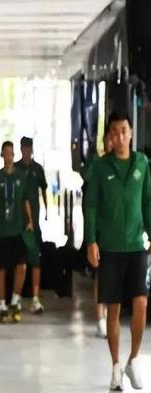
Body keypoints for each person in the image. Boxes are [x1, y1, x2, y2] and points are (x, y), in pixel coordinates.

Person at [85, 111, 151, 391]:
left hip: (136, 246)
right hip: (110, 247)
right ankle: (115, 366)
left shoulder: (142, 163)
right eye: (116, 131)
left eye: (125, 130)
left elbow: (147, 202)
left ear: (131, 133)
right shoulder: (102, 167)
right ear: (110, 135)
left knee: (141, 303)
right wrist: (91, 240)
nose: (121, 136)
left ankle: (133, 360)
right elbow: (91, 204)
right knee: (113, 308)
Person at [0, 141, 34, 323]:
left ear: (14, 155)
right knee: (1, 270)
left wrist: (30, 220)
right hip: (1, 232)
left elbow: (25, 200)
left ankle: (15, 300)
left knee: (21, 265)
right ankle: (3, 306)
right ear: (2, 155)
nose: (8, 156)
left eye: (11, 153)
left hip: (17, 231)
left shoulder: (20, 177)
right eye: (5, 152)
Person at [80, 129, 114, 338]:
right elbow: (85, 177)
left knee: (114, 277)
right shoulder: (97, 163)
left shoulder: (123, 165)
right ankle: (100, 318)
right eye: (108, 139)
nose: (112, 142)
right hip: (99, 229)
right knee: (101, 274)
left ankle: (110, 316)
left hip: (115, 230)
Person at [15, 136, 47, 314]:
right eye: (24, 148)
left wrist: (47, 211)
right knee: (18, 261)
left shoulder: (37, 169)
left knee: (35, 260)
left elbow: (44, 189)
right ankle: (16, 297)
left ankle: (35, 298)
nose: (27, 151)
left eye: (29, 148)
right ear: (21, 149)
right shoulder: (16, 169)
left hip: (34, 223)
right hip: (18, 223)